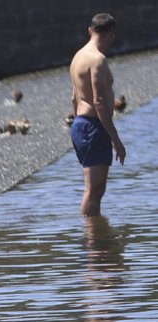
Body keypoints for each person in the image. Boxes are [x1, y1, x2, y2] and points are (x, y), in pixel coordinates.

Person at [69, 13, 126, 217]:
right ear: (111, 34)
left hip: (82, 124)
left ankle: (94, 239)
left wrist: (80, 126)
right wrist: (116, 139)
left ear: (90, 30)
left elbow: (74, 98)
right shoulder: (98, 60)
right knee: (94, 191)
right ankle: (93, 242)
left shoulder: (78, 56)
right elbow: (99, 102)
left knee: (94, 189)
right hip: (93, 126)